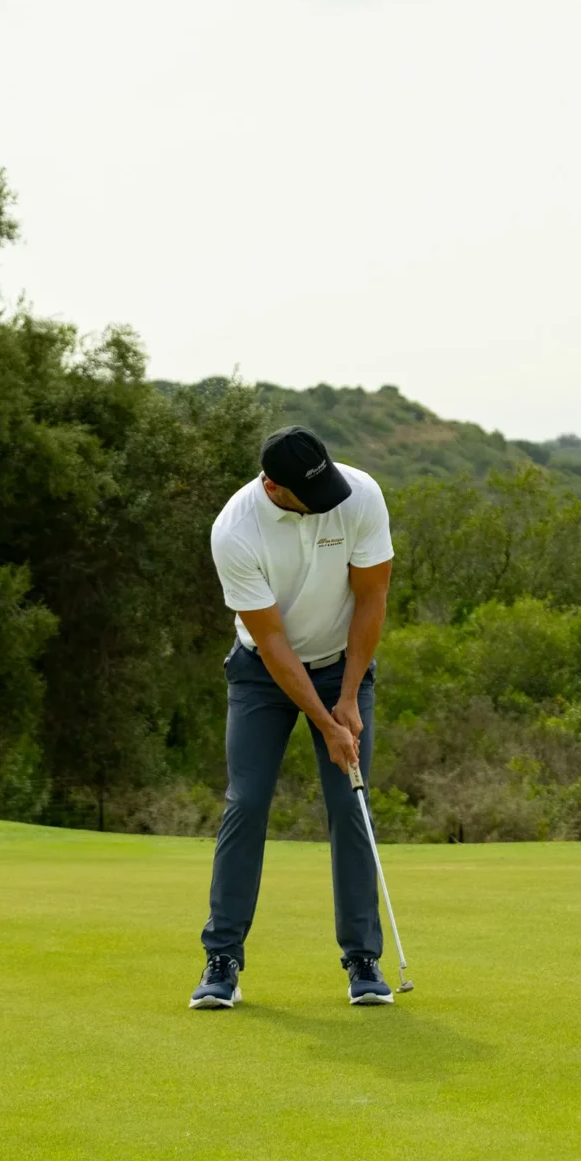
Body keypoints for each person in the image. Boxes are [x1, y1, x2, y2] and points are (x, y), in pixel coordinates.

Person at [189, 425, 396, 1010]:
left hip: (342, 666)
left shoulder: (359, 494)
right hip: (263, 672)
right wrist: (325, 724)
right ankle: (222, 959)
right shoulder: (235, 530)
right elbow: (273, 641)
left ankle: (363, 959)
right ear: (274, 487)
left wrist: (348, 698)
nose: (331, 500)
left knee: (350, 804)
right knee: (247, 802)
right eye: (314, 494)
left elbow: (372, 598)